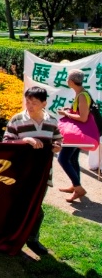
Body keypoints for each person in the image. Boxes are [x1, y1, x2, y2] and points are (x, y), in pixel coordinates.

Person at [3, 86, 62, 256]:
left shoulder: (52, 121)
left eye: (34, 102)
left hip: (42, 173)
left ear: (44, 103)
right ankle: (12, 237)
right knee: (17, 204)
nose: (29, 105)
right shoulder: (17, 120)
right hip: (19, 172)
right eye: (27, 101)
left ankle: (32, 239)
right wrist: (25, 140)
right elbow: (6, 143)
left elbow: (58, 141)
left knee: (36, 206)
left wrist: (57, 147)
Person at [57, 69, 90, 202]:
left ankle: (78, 187)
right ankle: (74, 186)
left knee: (62, 159)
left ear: (71, 82)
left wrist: (66, 114)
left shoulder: (82, 95)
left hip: (77, 133)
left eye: (67, 79)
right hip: (79, 132)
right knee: (73, 159)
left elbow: (83, 118)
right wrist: (69, 111)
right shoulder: (81, 93)